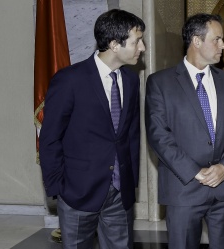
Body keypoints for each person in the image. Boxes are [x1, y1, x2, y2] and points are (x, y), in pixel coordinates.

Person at [38, 9, 145, 248]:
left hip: (120, 193)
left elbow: (131, 135)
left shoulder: (130, 79)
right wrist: (58, 188)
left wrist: (130, 180)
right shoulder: (70, 80)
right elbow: (50, 138)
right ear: (115, 44)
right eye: (137, 41)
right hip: (77, 192)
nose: (142, 48)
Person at [145, 13, 224, 249]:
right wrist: (195, 172)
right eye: (217, 39)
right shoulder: (160, 83)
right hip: (183, 190)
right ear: (197, 41)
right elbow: (158, 136)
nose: (223, 45)